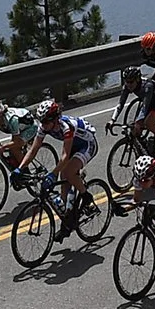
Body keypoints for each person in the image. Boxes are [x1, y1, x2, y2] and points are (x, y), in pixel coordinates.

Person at [33, 99, 98, 231]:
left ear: (55, 119)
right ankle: (67, 220)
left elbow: (64, 156)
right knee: (64, 180)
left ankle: (86, 196)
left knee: (67, 172)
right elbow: (33, 150)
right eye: (41, 121)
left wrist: (52, 174)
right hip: (74, 145)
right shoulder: (45, 126)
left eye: (45, 121)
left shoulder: (66, 127)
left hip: (87, 144)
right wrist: (19, 169)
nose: (43, 125)